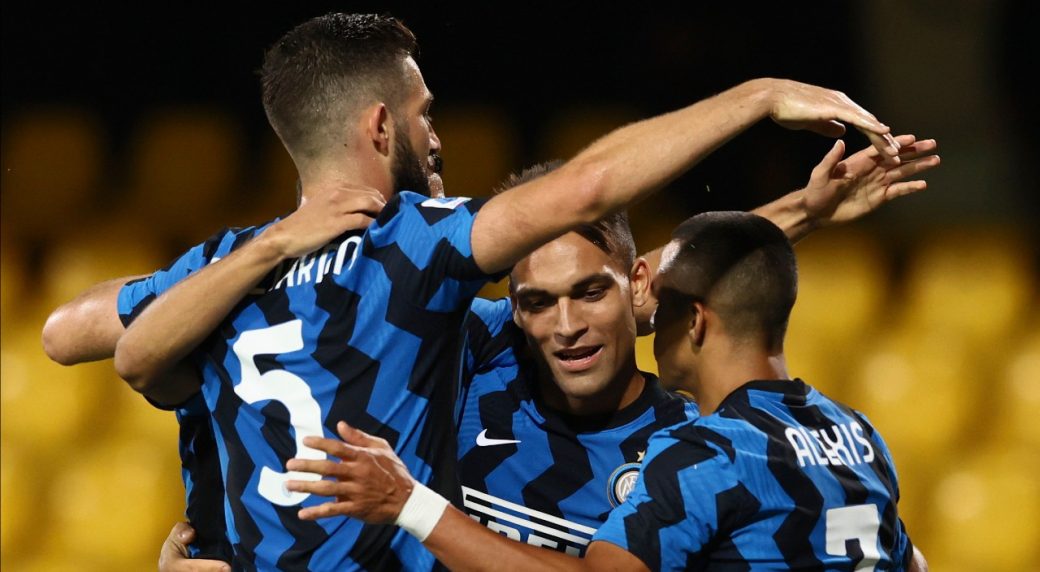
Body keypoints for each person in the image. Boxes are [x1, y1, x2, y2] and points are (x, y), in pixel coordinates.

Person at [44, 9, 906, 568]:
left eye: (588, 296)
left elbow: (72, 332)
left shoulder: (229, 270)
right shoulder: (423, 265)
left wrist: (798, 212)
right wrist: (759, 96)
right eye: (425, 113)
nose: (437, 134)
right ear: (380, 126)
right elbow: (589, 197)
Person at [283, 211, 927, 570]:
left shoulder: (697, 451)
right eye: (539, 303)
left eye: (595, 294)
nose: (566, 326)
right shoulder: (858, 435)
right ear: (517, 310)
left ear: (684, 315)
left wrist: (411, 504)